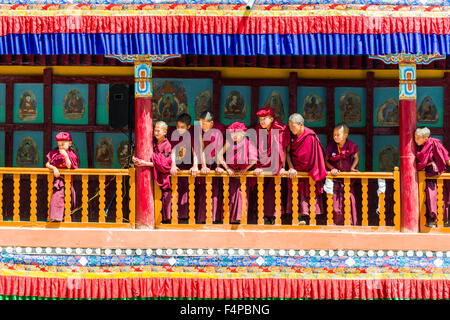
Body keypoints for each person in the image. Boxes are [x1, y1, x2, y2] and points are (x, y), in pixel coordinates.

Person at [249, 106, 290, 225]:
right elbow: (254, 149)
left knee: (274, 192)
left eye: (265, 119)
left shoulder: (281, 129)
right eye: (260, 119)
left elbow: (285, 149)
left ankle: (274, 217)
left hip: (276, 167)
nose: (262, 122)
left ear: (272, 119)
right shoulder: (257, 130)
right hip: (261, 166)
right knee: (261, 192)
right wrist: (256, 166)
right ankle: (263, 216)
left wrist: (283, 167)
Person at [285, 113, 327, 225]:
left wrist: (314, 171)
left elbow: (318, 156)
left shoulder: (310, 137)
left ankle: (309, 220)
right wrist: (291, 167)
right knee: (296, 197)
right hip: (296, 173)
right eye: (290, 126)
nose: (291, 129)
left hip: (309, 174)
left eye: (293, 126)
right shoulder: (291, 136)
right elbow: (287, 152)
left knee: (309, 197)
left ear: (301, 124)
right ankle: (299, 218)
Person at [216, 121, 258, 224]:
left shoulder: (248, 143)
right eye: (232, 133)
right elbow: (219, 155)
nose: (234, 136)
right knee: (231, 198)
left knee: (242, 196)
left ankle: (240, 219)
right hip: (232, 175)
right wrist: (227, 168)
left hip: (243, 176)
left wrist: (246, 169)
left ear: (243, 133)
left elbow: (254, 160)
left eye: (236, 133)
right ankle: (231, 219)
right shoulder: (229, 143)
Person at [133, 121, 173, 223]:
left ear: (165, 132)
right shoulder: (152, 142)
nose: (156, 132)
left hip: (163, 177)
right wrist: (137, 159)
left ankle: (165, 220)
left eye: (158, 131)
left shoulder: (167, 145)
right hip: (152, 176)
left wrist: (145, 163)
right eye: (155, 130)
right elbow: (153, 159)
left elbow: (164, 165)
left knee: (165, 198)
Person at [415, 127, 450, 227]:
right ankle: (432, 221)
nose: (416, 140)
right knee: (430, 199)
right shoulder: (419, 147)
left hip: (438, 175)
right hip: (427, 177)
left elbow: (446, 158)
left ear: (426, 139)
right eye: (415, 137)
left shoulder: (435, 143)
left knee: (441, 198)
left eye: (418, 138)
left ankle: (442, 221)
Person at [325, 123, 359, 226]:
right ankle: (335, 224)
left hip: (347, 180)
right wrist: (332, 169)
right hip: (335, 179)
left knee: (349, 202)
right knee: (335, 204)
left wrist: (353, 167)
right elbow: (326, 161)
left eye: (338, 134)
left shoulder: (351, 146)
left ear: (345, 135)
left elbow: (356, 157)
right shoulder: (331, 147)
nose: (335, 137)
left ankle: (351, 224)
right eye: (334, 134)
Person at [195, 111, 226, 223]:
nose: (202, 126)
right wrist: (203, 166)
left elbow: (219, 151)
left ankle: (214, 218)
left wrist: (217, 166)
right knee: (203, 192)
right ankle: (202, 218)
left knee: (215, 192)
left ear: (211, 123)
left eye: (204, 124)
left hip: (215, 165)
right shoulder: (200, 132)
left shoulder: (217, 133)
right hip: (205, 164)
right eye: (201, 123)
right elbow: (202, 149)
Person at [169, 113, 199, 223]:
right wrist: (172, 165)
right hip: (177, 167)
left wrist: (195, 165)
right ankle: (174, 215)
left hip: (187, 167)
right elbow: (172, 151)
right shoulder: (174, 135)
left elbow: (194, 151)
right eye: (177, 127)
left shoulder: (191, 136)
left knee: (187, 191)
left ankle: (186, 216)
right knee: (175, 191)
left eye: (182, 127)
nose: (179, 129)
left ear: (188, 127)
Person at [46, 132, 79, 222]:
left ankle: (67, 219)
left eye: (63, 144)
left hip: (68, 182)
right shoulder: (55, 152)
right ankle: (56, 219)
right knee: (56, 199)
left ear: (70, 143)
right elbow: (47, 164)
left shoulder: (71, 154)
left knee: (69, 201)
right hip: (58, 181)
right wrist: (54, 169)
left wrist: (65, 155)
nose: (61, 147)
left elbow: (69, 166)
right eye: (59, 144)